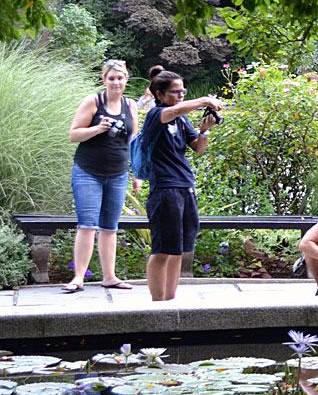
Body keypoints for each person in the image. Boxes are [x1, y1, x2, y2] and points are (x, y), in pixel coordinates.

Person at [141, 69, 223, 302]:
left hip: (185, 185)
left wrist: (205, 130)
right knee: (162, 248)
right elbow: (174, 110)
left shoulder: (181, 119)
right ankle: (158, 302)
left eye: (182, 91)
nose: (180, 96)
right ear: (160, 94)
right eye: (175, 92)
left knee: (178, 248)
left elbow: (198, 147)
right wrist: (204, 100)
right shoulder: (156, 115)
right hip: (164, 189)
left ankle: (170, 299)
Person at [63, 59, 140, 293]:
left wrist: (136, 172)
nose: (116, 82)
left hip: (117, 173)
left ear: (126, 79)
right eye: (111, 78)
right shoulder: (94, 102)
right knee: (87, 225)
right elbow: (73, 135)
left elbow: (132, 140)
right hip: (88, 171)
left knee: (110, 227)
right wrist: (97, 129)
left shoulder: (131, 105)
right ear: (104, 80)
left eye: (120, 78)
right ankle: (78, 278)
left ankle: (110, 277)